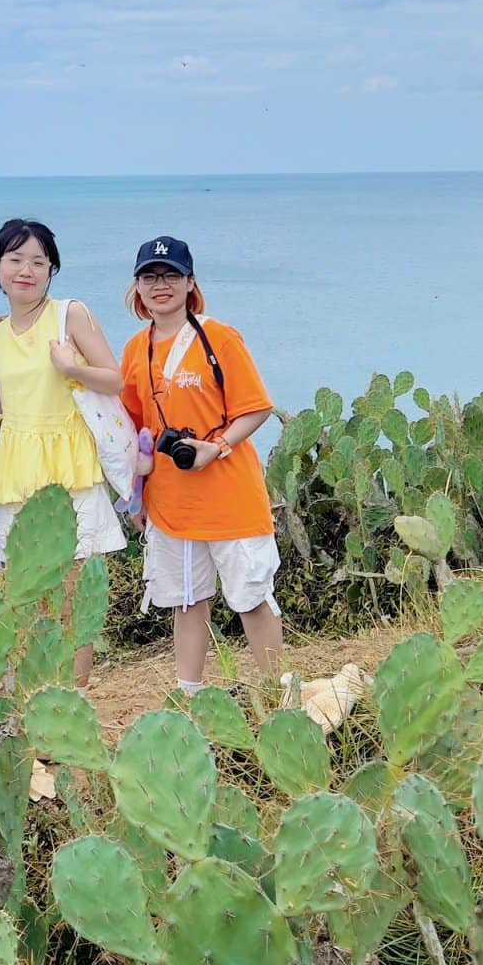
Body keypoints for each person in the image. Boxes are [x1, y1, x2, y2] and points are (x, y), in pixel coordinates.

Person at [120, 236, 282, 686]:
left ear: (190, 282)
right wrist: (136, 498)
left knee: (252, 598)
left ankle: (276, 693)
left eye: (171, 275)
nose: (160, 285)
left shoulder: (219, 338)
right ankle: (188, 695)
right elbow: (135, 432)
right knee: (187, 602)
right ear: (137, 286)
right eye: (149, 276)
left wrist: (217, 446)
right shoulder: (135, 349)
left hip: (231, 498)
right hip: (172, 504)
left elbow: (256, 408)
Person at [0, 217, 125, 692]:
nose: (26, 270)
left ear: (51, 270)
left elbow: (115, 379)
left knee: (73, 597)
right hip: (18, 470)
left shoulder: (70, 316)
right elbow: (3, 411)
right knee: (26, 597)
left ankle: (72, 697)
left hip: (70, 467)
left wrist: (71, 367)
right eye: (15, 260)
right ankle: (34, 697)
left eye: (38, 262)